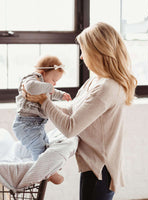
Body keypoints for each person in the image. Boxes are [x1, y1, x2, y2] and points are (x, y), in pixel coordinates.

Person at [23, 22, 137, 200]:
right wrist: (38, 102)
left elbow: (70, 127)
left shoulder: (107, 87)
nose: (82, 57)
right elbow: (72, 109)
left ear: (98, 52)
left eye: (84, 50)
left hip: (100, 169)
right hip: (93, 166)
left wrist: (44, 100)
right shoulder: (96, 80)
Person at [12, 55, 72, 184]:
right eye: (53, 80)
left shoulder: (44, 85)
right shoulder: (32, 79)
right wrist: (49, 87)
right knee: (38, 148)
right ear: (42, 73)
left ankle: (50, 166)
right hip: (25, 125)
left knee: (45, 146)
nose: (54, 84)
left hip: (37, 125)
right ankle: (47, 172)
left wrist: (61, 95)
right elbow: (31, 88)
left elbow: (51, 92)